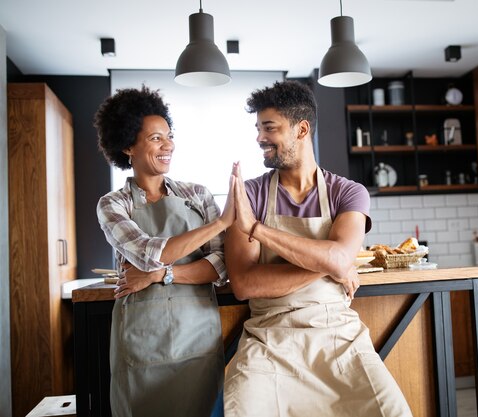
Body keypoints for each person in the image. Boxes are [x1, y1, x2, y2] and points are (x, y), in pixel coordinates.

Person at [223, 80, 412, 417]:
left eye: (269, 128)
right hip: (269, 337)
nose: (259, 138)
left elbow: (340, 257)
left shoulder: (349, 193)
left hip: (339, 336)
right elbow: (245, 284)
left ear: (302, 129)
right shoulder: (248, 193)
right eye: (258, 128)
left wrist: (256, 229)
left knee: (392, 410)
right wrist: (330, 264)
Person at [94, 86, 234, 417]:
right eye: (156, 138)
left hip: (197, 337)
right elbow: (148, 253)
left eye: (169, 136)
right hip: (143, 341)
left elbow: (220, 264)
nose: (168, 145)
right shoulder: (114, 205)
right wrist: (219, 224)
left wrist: (161, 275)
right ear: (128, 145)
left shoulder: (197, 195)